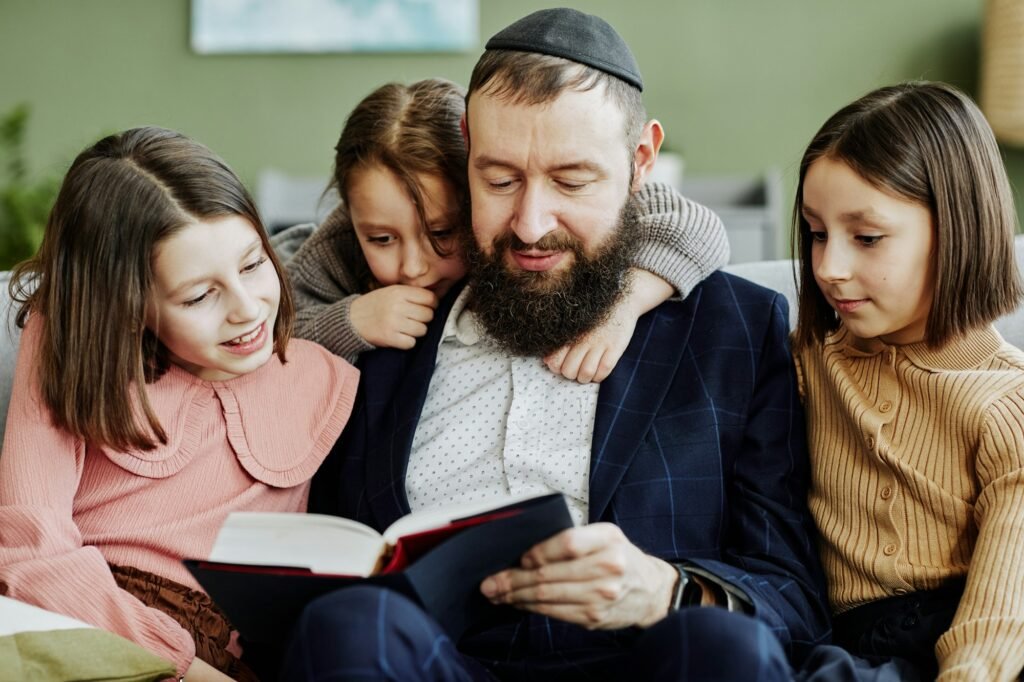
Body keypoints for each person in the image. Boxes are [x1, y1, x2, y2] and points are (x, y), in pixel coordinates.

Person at [291, 9, 829, 681]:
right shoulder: (382, 314)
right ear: (466, 153)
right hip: (435, 664)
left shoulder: (736, 330)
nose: (530, 224)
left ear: (640, 163)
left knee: (726, 648)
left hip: (649, 662)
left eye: (572, 181)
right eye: (499, 180)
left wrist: (666, 590)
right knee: (346, 625)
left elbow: (795, 601)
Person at [0, 127, 359, 681]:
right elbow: (30, 546)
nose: (247, 309)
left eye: (253, 264)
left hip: (227, 645)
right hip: (85, 621)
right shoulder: (70, 344)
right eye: (199, 295)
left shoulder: (320, 372)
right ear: (128, 305)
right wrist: (183, 666)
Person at [791, 82, 1024, 681]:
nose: (829, 269)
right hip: (840, 645)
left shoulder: (1009, 401)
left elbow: (1002, 607)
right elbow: (679, 229)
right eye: (817, 233)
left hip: (969, 637)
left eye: (866, 238)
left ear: (959, 228)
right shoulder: (806, 360)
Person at [284, 76, 729, 382]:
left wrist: (624, 305)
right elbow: (268, 326)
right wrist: (349, 321)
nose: (414, 266)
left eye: (442, 233)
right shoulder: (340, 242)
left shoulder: (511, 215)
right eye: (381, 239)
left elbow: (698, 227)